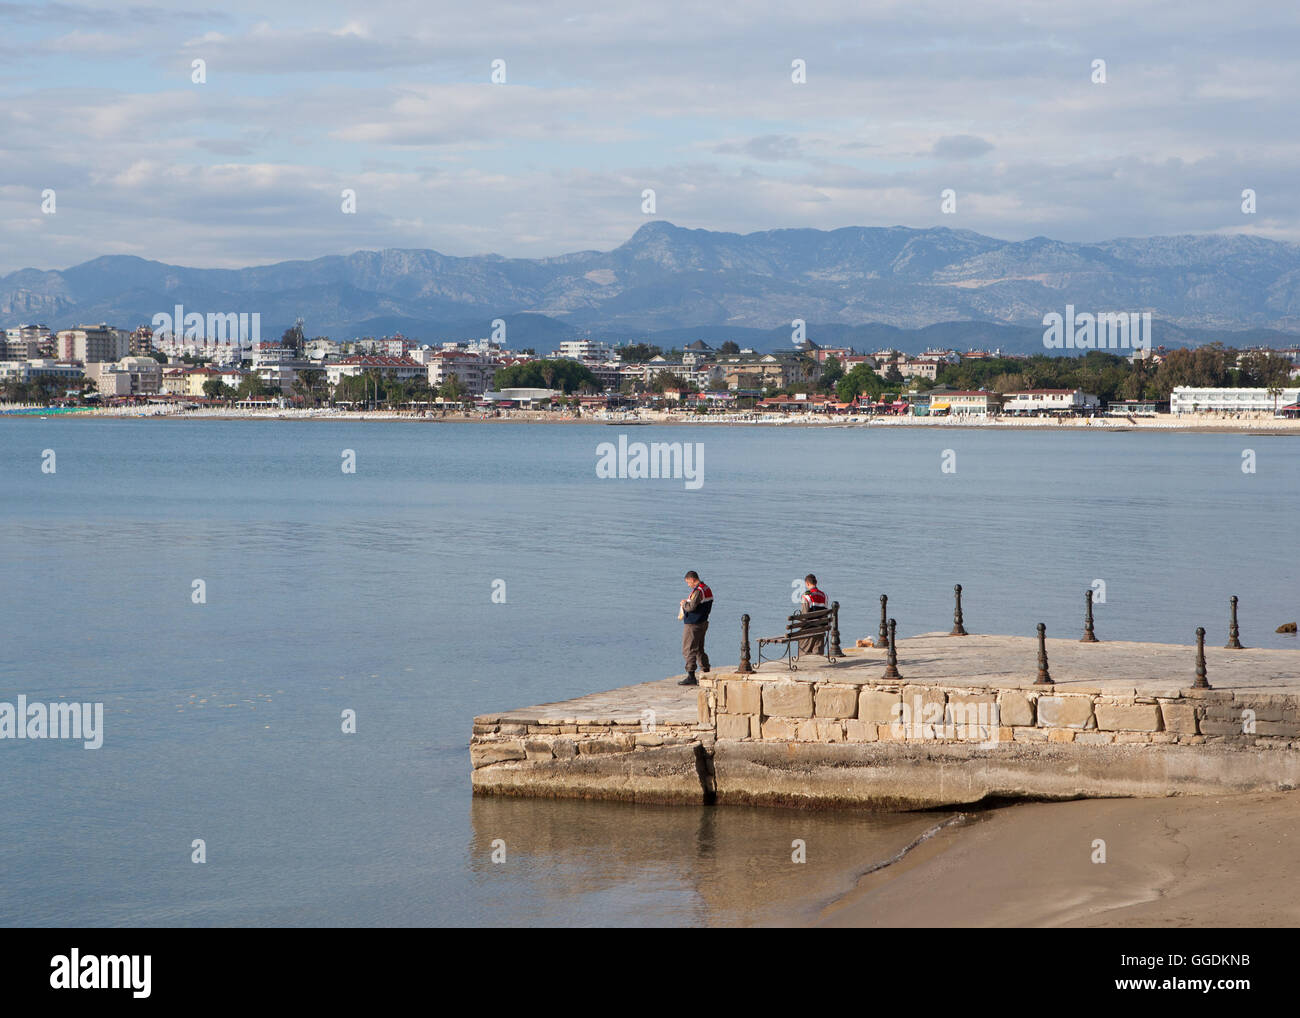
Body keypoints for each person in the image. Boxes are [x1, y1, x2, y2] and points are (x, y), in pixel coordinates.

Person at [678, 571, 712, 685]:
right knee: (699, 648)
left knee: (688, 649)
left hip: (693, 624)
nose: (688, 585)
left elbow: (692, 607)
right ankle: (706, 669)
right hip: (703, 622)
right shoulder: (706, 588)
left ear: (692, 579)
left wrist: (684, 604)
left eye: (688, 582)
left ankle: (691, 675)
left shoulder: (698, 591)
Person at [798, 574, 827, 657]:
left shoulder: (806, 596)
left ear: (807, 583)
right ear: (816, 582)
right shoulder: (824, 595)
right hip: (821, 629)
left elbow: (804, 615)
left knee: (803, 644)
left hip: (809, 630)